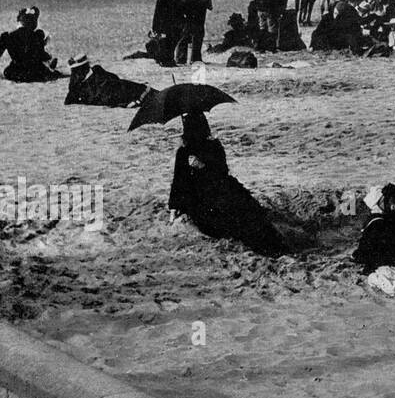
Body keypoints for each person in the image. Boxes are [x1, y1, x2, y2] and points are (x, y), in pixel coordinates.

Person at [170, 112, 283, 256]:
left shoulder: (213, 146)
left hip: (221, 188)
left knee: (247, 214)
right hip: (200, 197)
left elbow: (223, 171)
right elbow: (178, 180)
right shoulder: (183, 152)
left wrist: (203, 166)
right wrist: (173, 209)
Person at [0, 7, 63, 82]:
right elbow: (41, 55)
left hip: (15, 72)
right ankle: (50, 67)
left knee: (8, 71)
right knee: (49, 72)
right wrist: (48, 56)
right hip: (35, 72)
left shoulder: (8, 36)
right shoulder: (36, 36)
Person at [64, 54, 148, 107]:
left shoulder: (97, 76)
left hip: (130, 93)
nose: (74, 74)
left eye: (75, 71)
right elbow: (69, 101)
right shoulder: (79, 84)